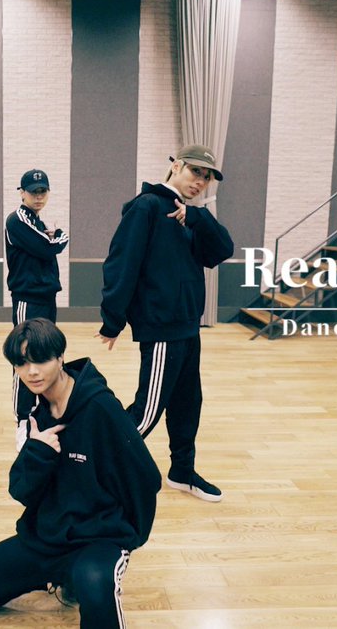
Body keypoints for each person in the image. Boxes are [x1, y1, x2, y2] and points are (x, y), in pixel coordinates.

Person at [0, 318, 160, 628]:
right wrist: (38, 451)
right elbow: (21, 491)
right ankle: (55, 576)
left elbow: (146, 478)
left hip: (98, 540)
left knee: (95, 587)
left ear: (60, 358)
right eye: (21, 363)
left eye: (40, 360)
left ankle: (77, 576)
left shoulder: (101, 409)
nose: (31, 371)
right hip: (46, 539)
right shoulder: (37, 414)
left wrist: (125, 537)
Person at [96, 144, 234, 503]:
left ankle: (182, 472)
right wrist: (113, 319)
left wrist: (197, 217)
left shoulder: (190, 215)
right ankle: (96, 470)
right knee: (148, 410)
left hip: (188, 325)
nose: (200, 181)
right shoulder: (146, 207)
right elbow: (121, 264)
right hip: (162, 328)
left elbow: (222, 250)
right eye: (195, 172)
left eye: (207, 177)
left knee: (188, 404)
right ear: (176, 166)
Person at [5, 169, 69, 450]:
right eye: (33, 191)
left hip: (45, 297)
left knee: (44, 355)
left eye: (43, 191)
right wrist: (60, 236)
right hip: (27, 300)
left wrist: (51, 237)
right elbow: (48, 247)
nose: (38, 196)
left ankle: (39, 414)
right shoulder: (17, 219)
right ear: (22, 193)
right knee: (24, 359)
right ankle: (22, 421)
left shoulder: (36, 221)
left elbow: (45, 245)